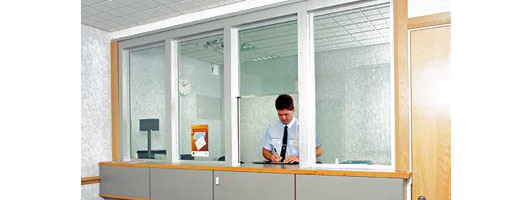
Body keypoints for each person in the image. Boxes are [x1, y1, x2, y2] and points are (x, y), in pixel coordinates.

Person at [261, 94, 322, 163]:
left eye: (286, 114)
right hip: (277, 169)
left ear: (293, 110)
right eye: (280, 114)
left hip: (299, 168)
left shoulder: (304, 127)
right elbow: (265, 151)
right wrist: (271, 157)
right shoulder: (271, 128)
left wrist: (299, 158)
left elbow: (318, 150)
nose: (283, 118)